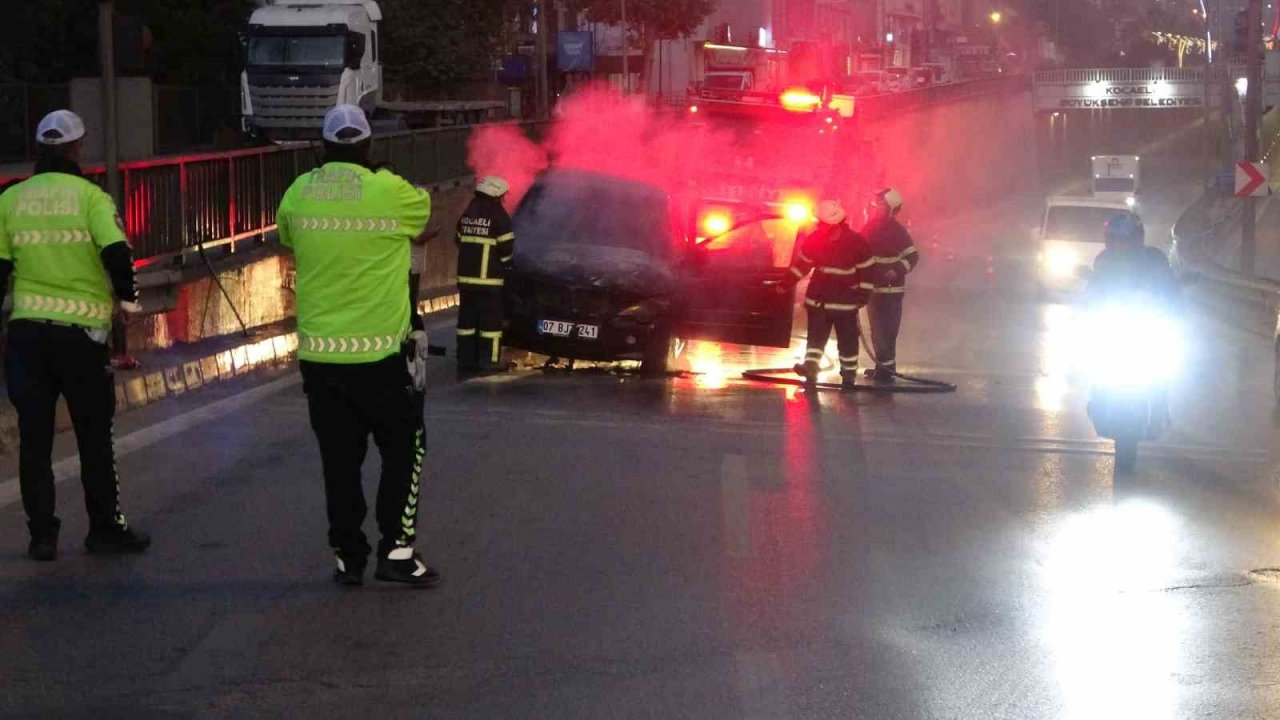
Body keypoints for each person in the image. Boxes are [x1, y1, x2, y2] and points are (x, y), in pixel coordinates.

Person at [277, 104, 439, 588]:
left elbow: (288, 235)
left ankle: (348, 557)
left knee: (339, 463)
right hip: (381, 358)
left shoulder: (299, 193)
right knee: (407, 449)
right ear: (368, 145)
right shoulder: (388, 190)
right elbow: (423, 213)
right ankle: (397, 551)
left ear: (323, 147)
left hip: (321, 360)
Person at [0, 110, 150, 561]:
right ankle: (104, 528)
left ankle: (42, 536)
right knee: (93, 436)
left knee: (34, 439)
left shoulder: (11, 200)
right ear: (77, 147)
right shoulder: (91, 198)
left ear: (39, 149)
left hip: (27, 336)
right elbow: (117, 253)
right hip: (81, 339)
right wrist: (127, 304)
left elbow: (0, 270)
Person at [787, 199, 878, 388]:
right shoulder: (816, 239)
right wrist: (785, 283)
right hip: (820, 303)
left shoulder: (856, 243)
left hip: (844, 305)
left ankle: (848, 374)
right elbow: (802, 265)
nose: (819, 227)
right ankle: (810, 369)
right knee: (815, 340)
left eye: (822, 224)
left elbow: (868, 271)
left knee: (847, 341)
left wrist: (862, 296)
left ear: (833, 224)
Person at [455, 176, 515, 374]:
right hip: (489, 281)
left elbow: (458, 239)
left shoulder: (468, 213)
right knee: (491, 324)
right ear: (496, 195)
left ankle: (465, 360)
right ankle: (489, 361)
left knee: (467, 322)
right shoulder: (499, 216)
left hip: (465, 279)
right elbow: (507, 251)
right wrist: (508, 268)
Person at [862, 188, 918, 384]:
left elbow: (912, 257)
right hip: (873, 290)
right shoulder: (868, 229)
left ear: (891, 209)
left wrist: (896, 270)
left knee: (888, 331)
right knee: (877, 331)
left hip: (892, 292)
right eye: (876, 206)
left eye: (881, 207)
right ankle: (882, 366)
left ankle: (886, 370)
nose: (876, 210)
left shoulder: (898, 232)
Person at [1086, 212, 1180, 307]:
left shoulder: (1154, 258)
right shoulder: (1103, 259)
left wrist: (1175, 309)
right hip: (1111, 313)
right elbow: (1093, 289)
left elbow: (1170, 290)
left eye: (1123, 240)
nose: (1117, 244)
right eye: (1112, 239)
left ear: (1136, 239)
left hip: (1150, 313)